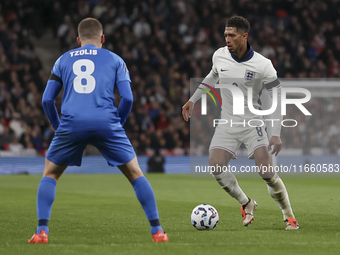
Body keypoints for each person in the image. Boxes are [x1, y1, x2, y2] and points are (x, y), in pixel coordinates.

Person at [28, 17, 168, 243]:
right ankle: (158, 232)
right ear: (103, 38)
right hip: (106, 121)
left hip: (72, 123)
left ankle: (42, 232)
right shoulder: (115, 59)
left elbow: (46, 100)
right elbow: (128, 99)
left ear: (78, 39)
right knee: (135, 174)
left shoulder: (63, 59)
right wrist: (117, 124)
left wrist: (59, 127)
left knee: (51, 173)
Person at [182, 16, 299, 230]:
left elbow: (278, 98)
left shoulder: (263, 65)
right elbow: (211, 76)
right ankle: (246, 203)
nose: (227, 39)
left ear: (244, 36)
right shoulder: (219, 55)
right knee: (215, 165)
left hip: (253, 123)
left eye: (231, 35)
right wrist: (193, 100)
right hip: (227, 123)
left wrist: (275, 132)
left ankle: (288, 214)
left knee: (266, 173)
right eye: (225, 34)